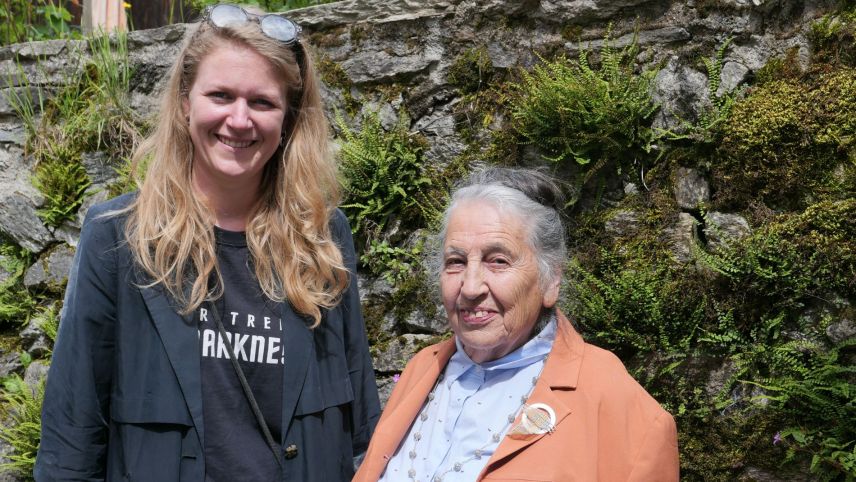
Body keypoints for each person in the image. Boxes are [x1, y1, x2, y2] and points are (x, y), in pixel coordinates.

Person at [35, 4, 380, 481]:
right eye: (220, 95)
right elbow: (70, 443)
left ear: (288, 118)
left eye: (262, 102)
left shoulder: (322, 238)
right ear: (185, 102)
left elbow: (364, 432)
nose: (239, 120)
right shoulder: (118, 238)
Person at [353, 167, 679, 482]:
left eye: (498, 261)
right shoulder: (423, 369)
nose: (470, 287)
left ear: (551, 280)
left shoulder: (614, 402)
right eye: (456, 262)